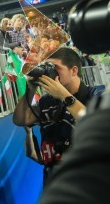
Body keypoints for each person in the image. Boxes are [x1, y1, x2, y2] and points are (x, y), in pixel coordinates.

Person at [12, 47, 104, 185]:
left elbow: (98, 126)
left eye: (55, 68)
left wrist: (64, 96)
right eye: (46, 67)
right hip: (55, 184)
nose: (49, 73)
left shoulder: (97, 95)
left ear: (74, 70)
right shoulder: (47, 101)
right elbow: (20, 120)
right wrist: (30, 89)